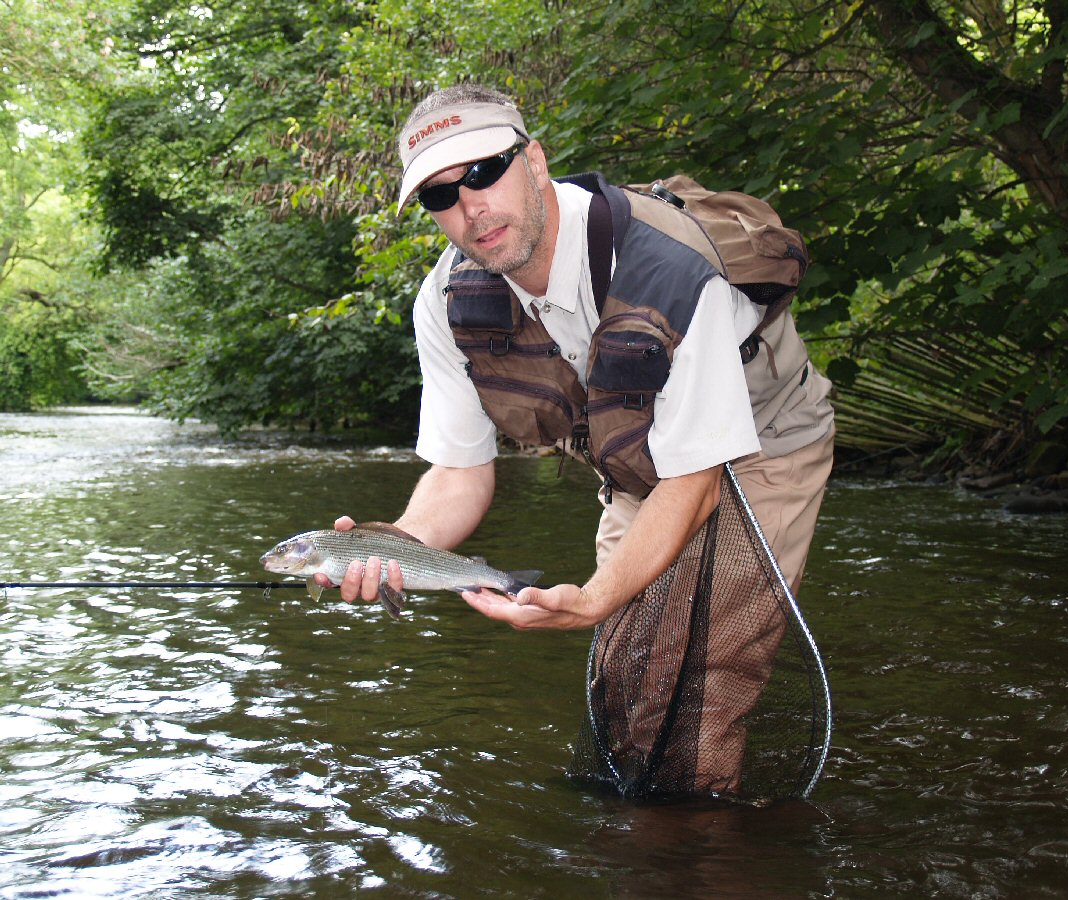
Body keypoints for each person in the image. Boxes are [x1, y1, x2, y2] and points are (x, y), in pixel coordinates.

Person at [319, 84, 835, 795]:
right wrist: (387, 544)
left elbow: (697, 480)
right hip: (639, 459)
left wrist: (593, 597)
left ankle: (696, 852)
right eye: (441, 196)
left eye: (482, 172)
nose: (469, 207)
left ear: (534, 160)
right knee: (630, 677)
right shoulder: (445, 303)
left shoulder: (670, 270)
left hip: (763, 444)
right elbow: (459, 474)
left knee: (699, 684)